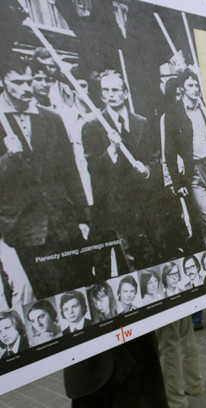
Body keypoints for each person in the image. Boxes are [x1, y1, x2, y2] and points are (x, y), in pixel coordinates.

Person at [0, 54, 90, 299]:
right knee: (48, 295)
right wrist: (8, 157)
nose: (26, 88)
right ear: (3, 83)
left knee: (79, 286)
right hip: (25, 229)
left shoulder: (51, 119)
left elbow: (69, 170)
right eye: (17, 82)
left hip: (63, 221)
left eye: (29, 81)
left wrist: (83, 215)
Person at [82, 70, 160, 271]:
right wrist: (112, 150)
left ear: (125, 93)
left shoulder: (141, 122)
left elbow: (154, 158)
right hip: (116, 209)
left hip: (143, 204)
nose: (110, 94)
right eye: (105, 90)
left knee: (150, 258)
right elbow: (93, 167)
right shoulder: (92, 125)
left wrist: (147, 169)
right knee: (129, 262)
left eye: (115, 90)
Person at [165, 67, 206, 250]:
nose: (195, 88)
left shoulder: (204, 108)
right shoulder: (174, 113)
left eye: (196, 84)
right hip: (195, 174)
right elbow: (169, 151)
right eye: (190, 85)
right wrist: (177, 182)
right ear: (182, 88)